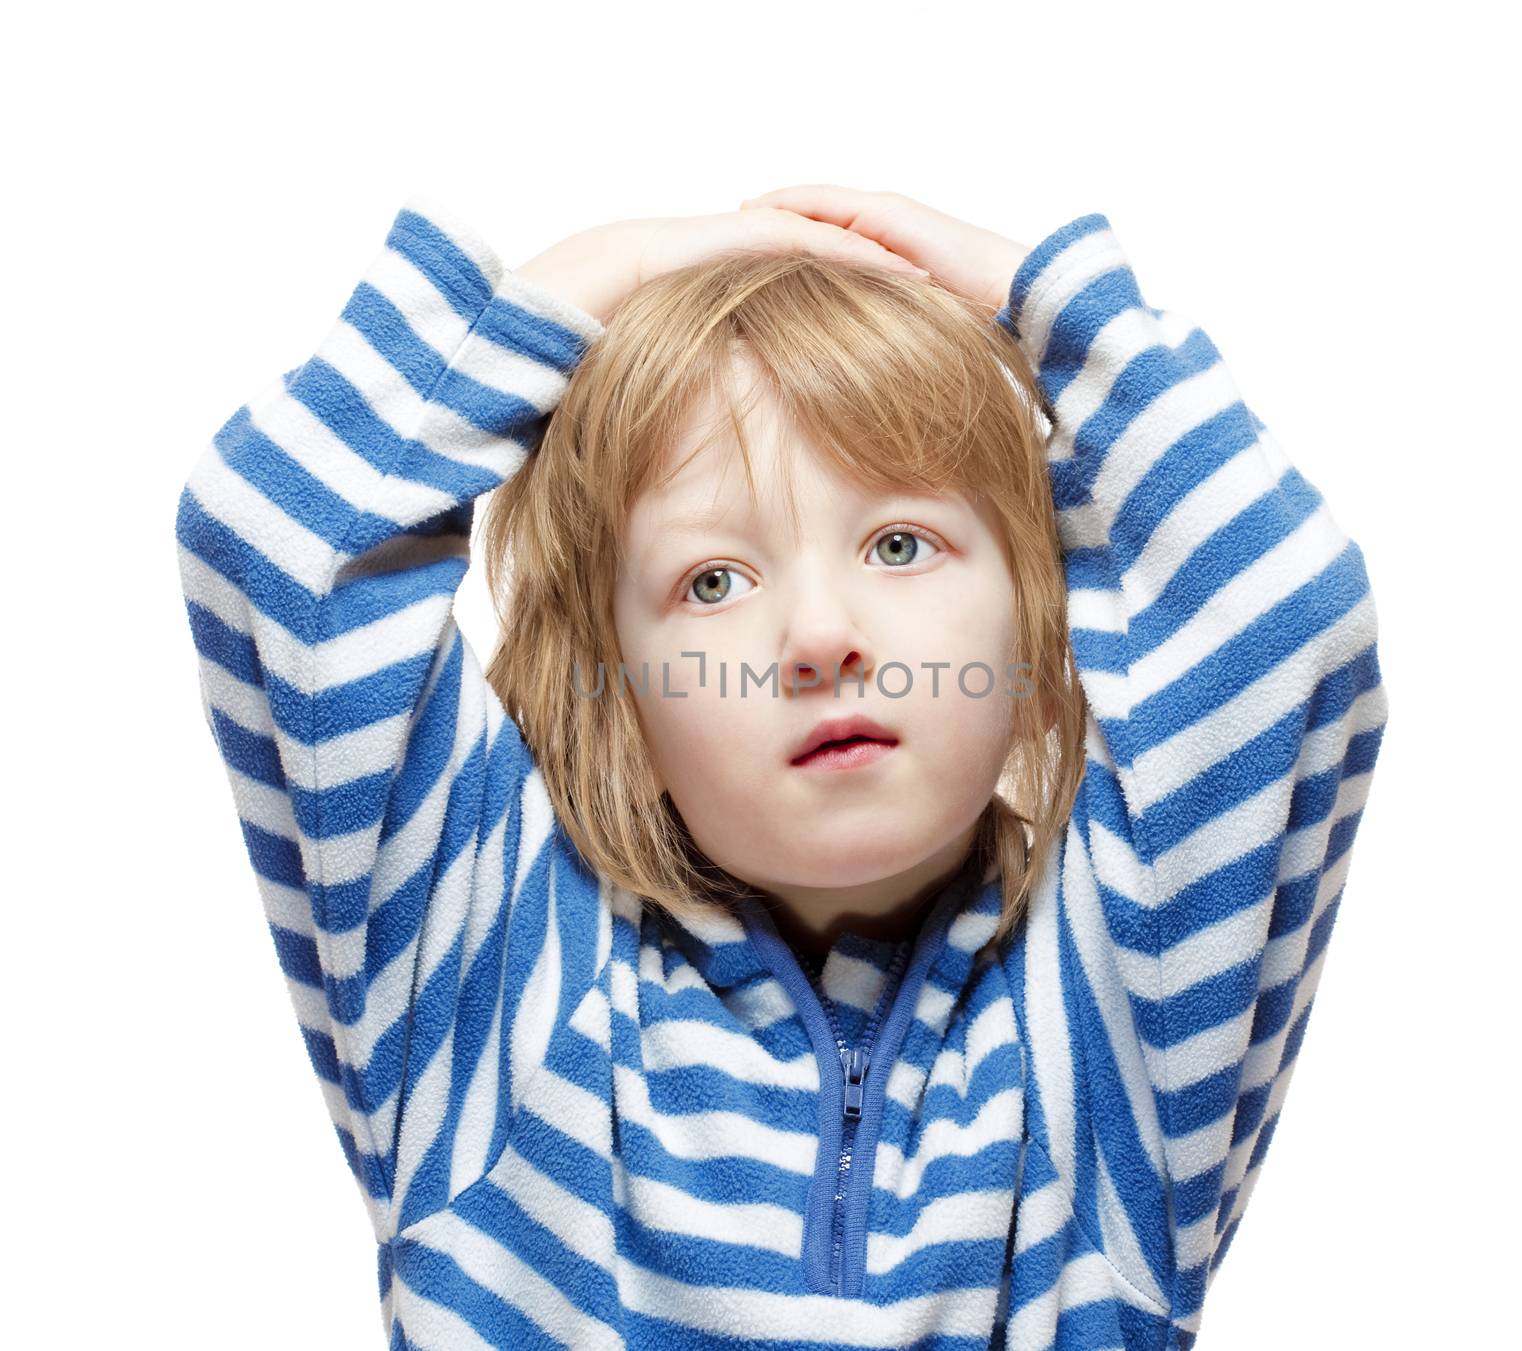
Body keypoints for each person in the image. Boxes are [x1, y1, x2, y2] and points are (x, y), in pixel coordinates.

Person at [174, 184, 1389, 1348]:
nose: (818, 638)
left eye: (900, 542)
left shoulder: (1117, 1022)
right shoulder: (493, 990)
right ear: (621, 702)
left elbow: (1280, 620)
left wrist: (1051, 309)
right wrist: (607, 270)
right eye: (712, 581)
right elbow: (277, 543)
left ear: (1037, 630)